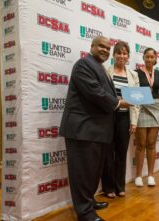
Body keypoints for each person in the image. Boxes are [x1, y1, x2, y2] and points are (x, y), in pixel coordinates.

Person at [60, 36, 130, 221]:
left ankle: (88, 201)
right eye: (101, 46)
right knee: (83, 173)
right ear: (91, 47)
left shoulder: (99, 67)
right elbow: (95, 92)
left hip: (96, 131)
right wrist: (118, 103)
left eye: (108, 48)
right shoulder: (83, 64)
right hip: (83, 130)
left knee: (92, 172)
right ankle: (85, 213)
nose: (105, 50)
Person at [101, 41, 140, 198]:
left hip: (125, 117)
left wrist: (134, 121)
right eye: (119, 53)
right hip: (108, 117)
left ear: (128, 56)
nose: (122, 56)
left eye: (124, 53)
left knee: (122, 153)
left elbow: (136, 100)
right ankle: (108, 188)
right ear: (114, 55)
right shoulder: (105, 72)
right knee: (108, 153)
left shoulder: (133, 75)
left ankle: (120, 186)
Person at [134, 47, 159, 187]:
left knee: (151, 143)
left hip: (155, 108)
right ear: (143, 58)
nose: (149, 59)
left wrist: (156, 101)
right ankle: (138, 176)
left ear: (155, 59)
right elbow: (133, 91)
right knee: (141, 144)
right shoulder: (136, 73)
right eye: (147, 56)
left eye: (152, 57)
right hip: (141, 108)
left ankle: (151, 175)